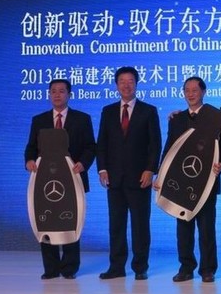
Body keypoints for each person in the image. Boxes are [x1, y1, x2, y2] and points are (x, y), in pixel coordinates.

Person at [153, 76, 221, 283]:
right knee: (183, 228)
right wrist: (160, 175)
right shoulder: (176, 119)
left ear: (203, 92)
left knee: (207, 228)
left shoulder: (217, 117)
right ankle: (186, 267)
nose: (190, 94)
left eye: (194, 90)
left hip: (206, 182)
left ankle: (208, 269)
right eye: (186, 90)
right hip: (180, 181)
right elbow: (169, 149)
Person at [24, 78, 96, 280]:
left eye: (61, 91)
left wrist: (83, 163)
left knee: (70, 219)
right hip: (45, 182)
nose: (57, 94)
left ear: (69, 95)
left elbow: (91, 147)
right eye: (53, 91)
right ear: (49, 94)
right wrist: (29, 160)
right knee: (46, 220)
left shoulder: (82, 119)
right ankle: (51, 268)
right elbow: (31, 147)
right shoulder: (39, 120)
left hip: (73, 179)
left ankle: (69, 268)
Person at [96, 66, 161, 281]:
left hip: (139, 178)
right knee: (116, 225)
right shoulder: (107, 111)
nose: (126, 85)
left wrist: (150, 170)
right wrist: (102, 169)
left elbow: (155, 144)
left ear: (136, 84)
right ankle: (116, 266)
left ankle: (140, 267)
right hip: (114, 178)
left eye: (130, 81)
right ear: (116, 85)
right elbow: (102, 143)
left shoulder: (148, 111)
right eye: (122, 81)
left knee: (140, 225)